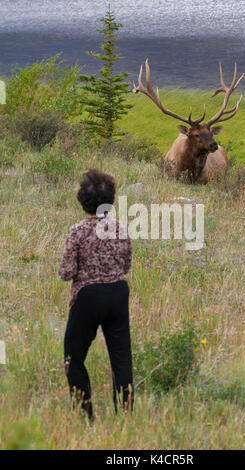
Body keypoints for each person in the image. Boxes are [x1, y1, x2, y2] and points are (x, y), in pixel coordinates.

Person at [59, 169, 133, 423]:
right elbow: (126, 266)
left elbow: (66, 272)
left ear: (82, 199)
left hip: (87, 296)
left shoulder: (77, 231)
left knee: (74, 356)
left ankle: (85, 416)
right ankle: (125, 416)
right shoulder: (120, 228)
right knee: (122, 358)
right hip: (118, 293)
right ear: (110, 200)